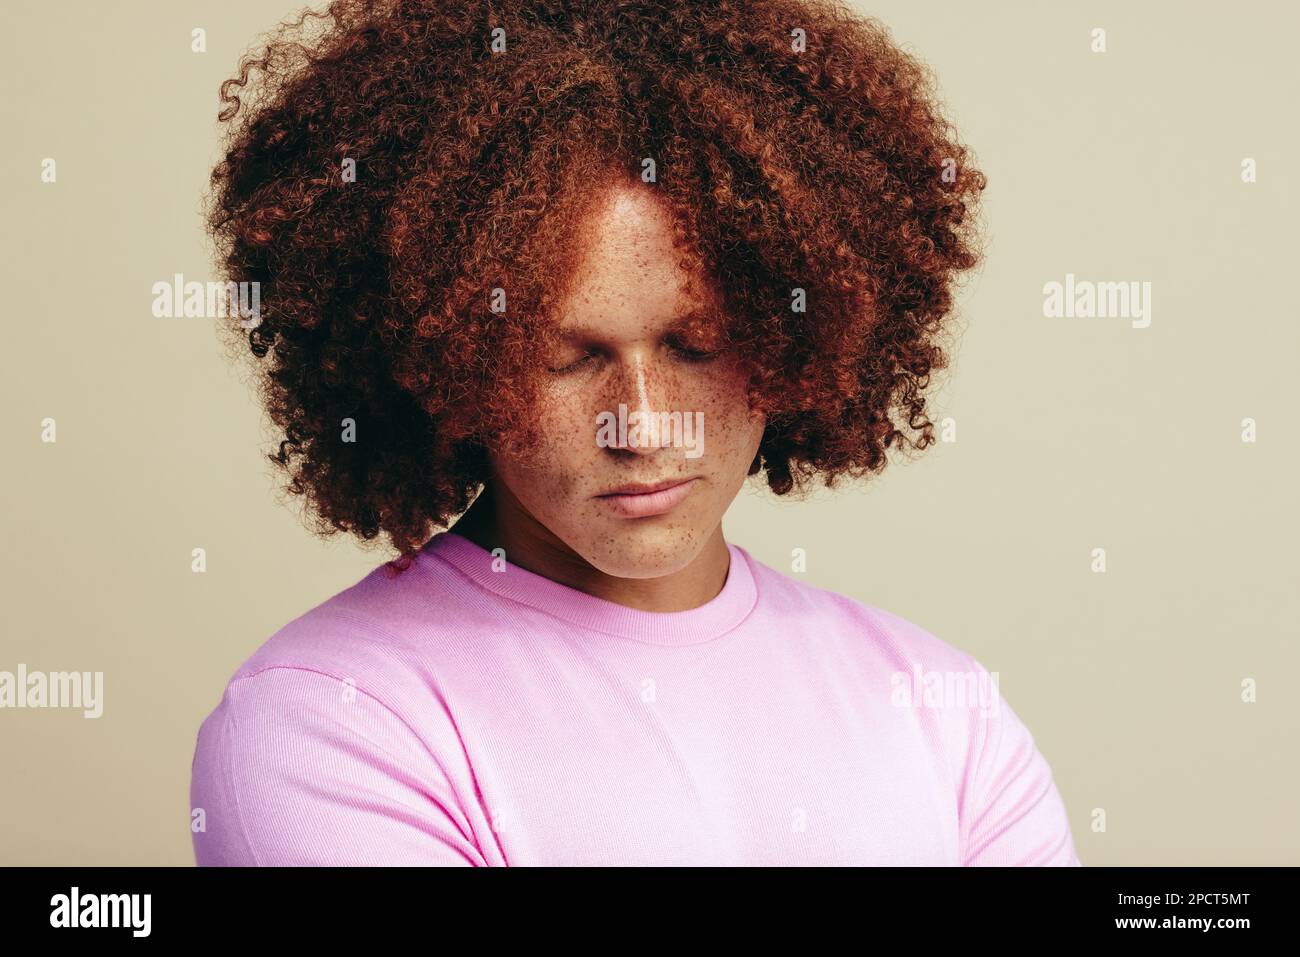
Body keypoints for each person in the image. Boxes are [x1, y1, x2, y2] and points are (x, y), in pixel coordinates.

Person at [190, 0, 1080, 865]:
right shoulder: (328, 722)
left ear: (793, 332)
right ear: (448, 360)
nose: (644, 422)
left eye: (696, 344)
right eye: (567, 358)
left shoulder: (945, 714)